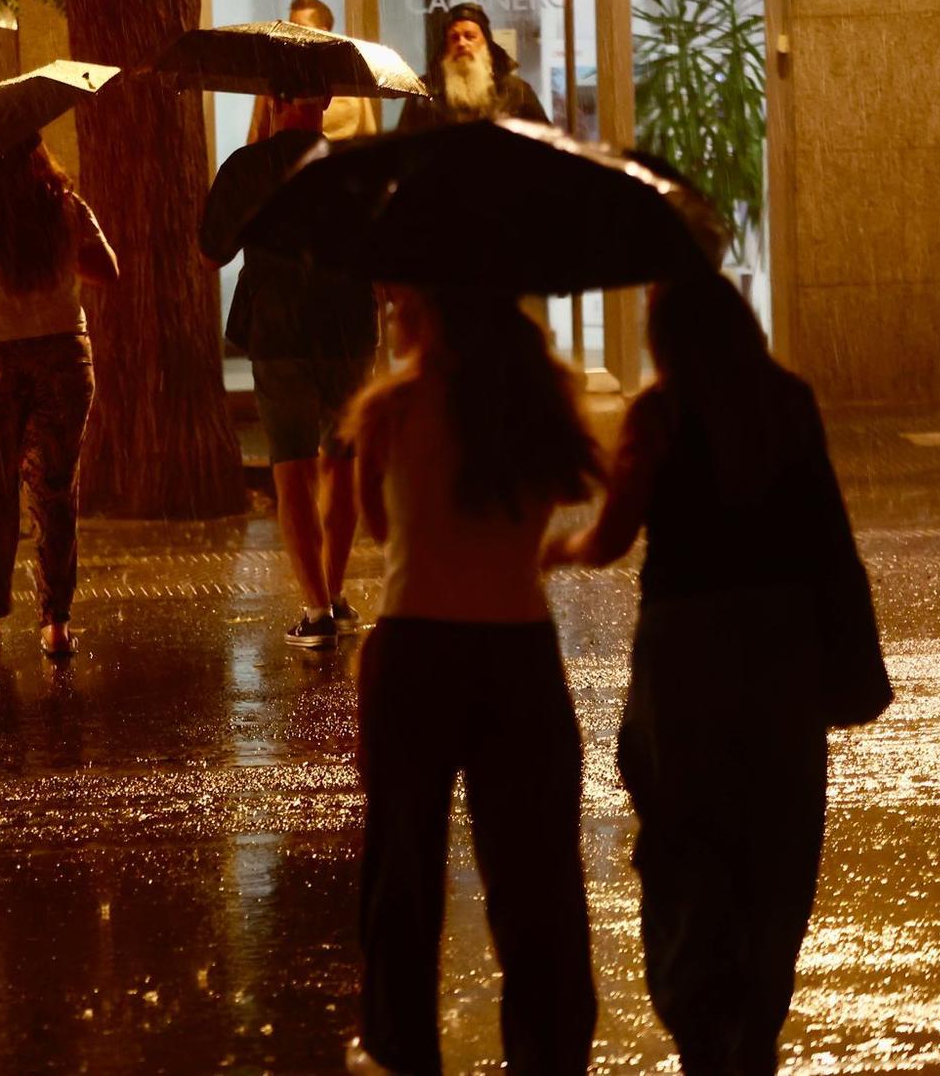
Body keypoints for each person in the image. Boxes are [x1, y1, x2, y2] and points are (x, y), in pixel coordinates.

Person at [545, 273, 849, 1073]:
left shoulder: (660, 412)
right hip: (782, 653)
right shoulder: (787, 401)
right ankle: (757, 1014)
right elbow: (827, 531)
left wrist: (556, 548)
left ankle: (702, 1014)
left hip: (686, 658)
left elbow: (612, 537)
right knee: (778, 839)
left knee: (686, 839)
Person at [343, 286, 599, 1076]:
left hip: (415, 646)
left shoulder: (390, 408)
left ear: (429, 311)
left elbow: (379, 526)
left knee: (403, 866)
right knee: (537, 875)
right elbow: (566, 492)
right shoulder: (542, 401)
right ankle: (547, 1051)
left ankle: (402, 1046)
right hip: (518, 651)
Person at [0, 134, 118, 657]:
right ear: (37, 152)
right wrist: (56, 253)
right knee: (55, 490)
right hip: (61, 360)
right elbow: (107, 270)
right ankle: (56, 625)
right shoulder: (66, 204)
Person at [202, 97, 375, 648]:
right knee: (341, 462)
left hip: (280, 334)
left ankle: (316, 609)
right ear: (323, 102)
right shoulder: (356, 165)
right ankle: (337, 594)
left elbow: (210, 254)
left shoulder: (247, 167)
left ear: (273, 102)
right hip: (349, 330)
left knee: (292, 466)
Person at [245, 0, 384, 145]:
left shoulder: (348, 81)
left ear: (324, 32)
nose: (292, 35)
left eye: (301, 28)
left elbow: (368, 135)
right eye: (290, 28)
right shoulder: (276, 78)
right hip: (287, 155)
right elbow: (257, 135)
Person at [395, 3, 549, 132]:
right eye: (454, 38)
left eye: (470, 36)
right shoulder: (423, 94)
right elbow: (403, 148)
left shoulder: (517, 92)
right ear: (446, 46)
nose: (461, 43)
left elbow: (546, 143)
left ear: (486, 43)